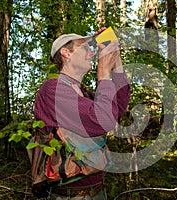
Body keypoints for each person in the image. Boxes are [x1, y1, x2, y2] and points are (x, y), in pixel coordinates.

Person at [34, 28, 130, 199]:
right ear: (66, 53)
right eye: (86, 48)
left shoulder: (82, 92)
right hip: (70, 195)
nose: (92, 53)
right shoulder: (53, 90)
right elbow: (103, 120)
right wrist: (103, 72)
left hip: (98, 191)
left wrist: (116, 57)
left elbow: (119, 106)